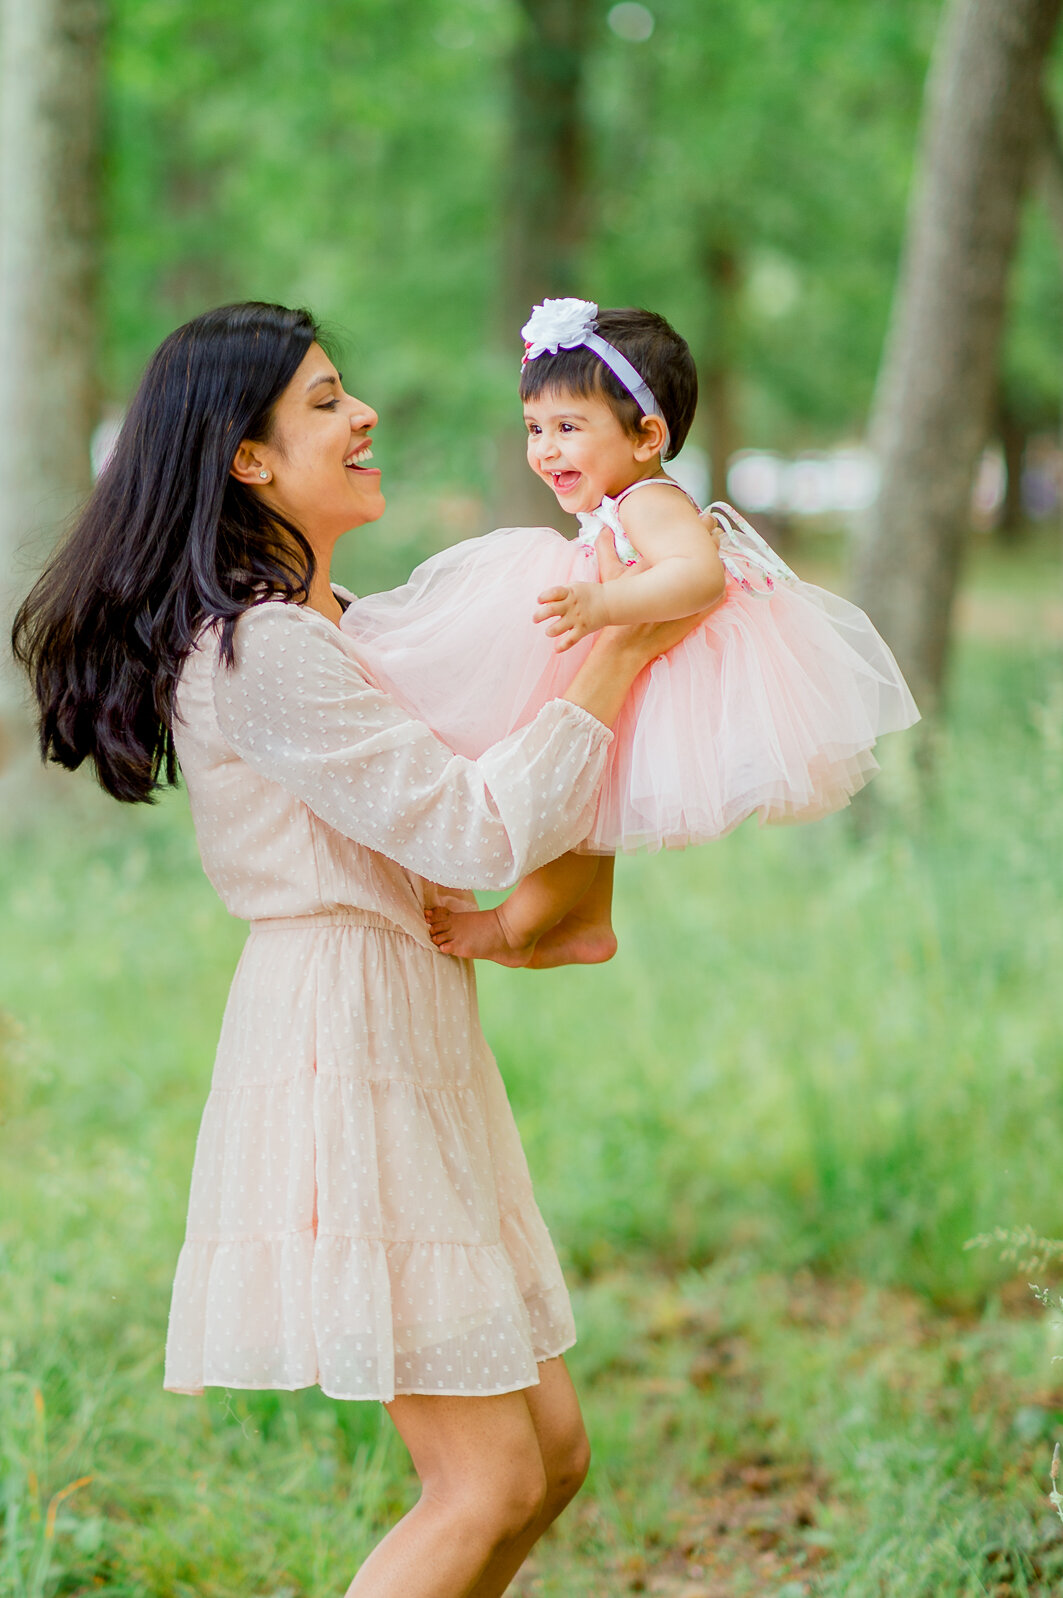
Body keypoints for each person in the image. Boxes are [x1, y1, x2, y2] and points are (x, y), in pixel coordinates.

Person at [11, 301, 711, 1598]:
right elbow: (475, 823)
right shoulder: (262, 649)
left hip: (407, 1016)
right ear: (249, 459)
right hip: (337, 1032)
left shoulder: (333, 621)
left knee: (549, 1457)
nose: (363, 414)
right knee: (483, 1477)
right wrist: (617, 649)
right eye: (325, 399)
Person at [342, 298, 920, 969]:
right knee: (588, 794)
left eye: (566, 426)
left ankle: (513, 924)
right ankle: (586, 920)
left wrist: (605, 602)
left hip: (669, 662)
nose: (544, 448)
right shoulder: (625, 501)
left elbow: (699, 577)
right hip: (637, 650)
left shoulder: (649, 500)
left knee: (579, 800)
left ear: (645, 438)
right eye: (533, 428)